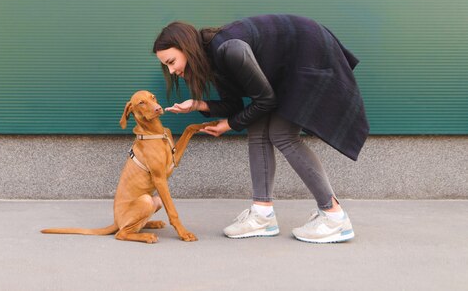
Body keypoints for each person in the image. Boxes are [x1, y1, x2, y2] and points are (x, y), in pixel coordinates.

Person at [152, 14, 369, 243]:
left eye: (171, 62)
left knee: (282, 134)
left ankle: (334, 217)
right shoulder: (213, 57)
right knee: (257, 126)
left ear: (186, 48)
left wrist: (229, 124)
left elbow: (265, 100)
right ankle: (263, 214)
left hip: (310, 56)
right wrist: (197, 104)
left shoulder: (230, 50)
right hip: (290, 67)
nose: (172, 71)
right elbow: (234, 104)